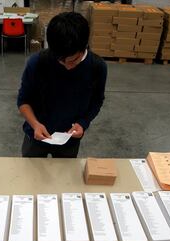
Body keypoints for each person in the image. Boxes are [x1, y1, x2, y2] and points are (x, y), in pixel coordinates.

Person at [17, 12, 107, 158]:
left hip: (69, 139)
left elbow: (97, 101)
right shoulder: (38, 63)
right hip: (35, 136)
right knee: (30, 177)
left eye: (73, 60)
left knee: (65, 178)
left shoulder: (97, 67)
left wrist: (83, 123)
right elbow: (23, 100)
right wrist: (35, 124)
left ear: (84, 47)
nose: (67, 67)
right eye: (61, 60)